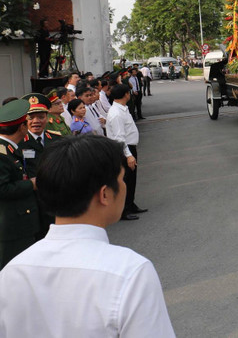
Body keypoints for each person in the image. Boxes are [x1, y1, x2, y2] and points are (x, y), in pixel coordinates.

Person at [0, 135, 176, 336]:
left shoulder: (12, 272)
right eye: (121, 178)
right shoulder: (130, 272)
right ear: (104, 194)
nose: (124, 185)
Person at [0, 99, 39, 269]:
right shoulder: (2, 153)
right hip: (11, 225)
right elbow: (3, 188)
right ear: (22, 127)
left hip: (18, 221)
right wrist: (32, 184)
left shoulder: (8, 148)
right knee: (12, 271)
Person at [105, 84, 145, 221]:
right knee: (125, 180)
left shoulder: (122, 108)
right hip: (123, 150)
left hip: (129, 147)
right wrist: (128, 155)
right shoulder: (116, 113)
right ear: (126, 94)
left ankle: (130, 203)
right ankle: (123, 210)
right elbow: (119, 138)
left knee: (131, 178)